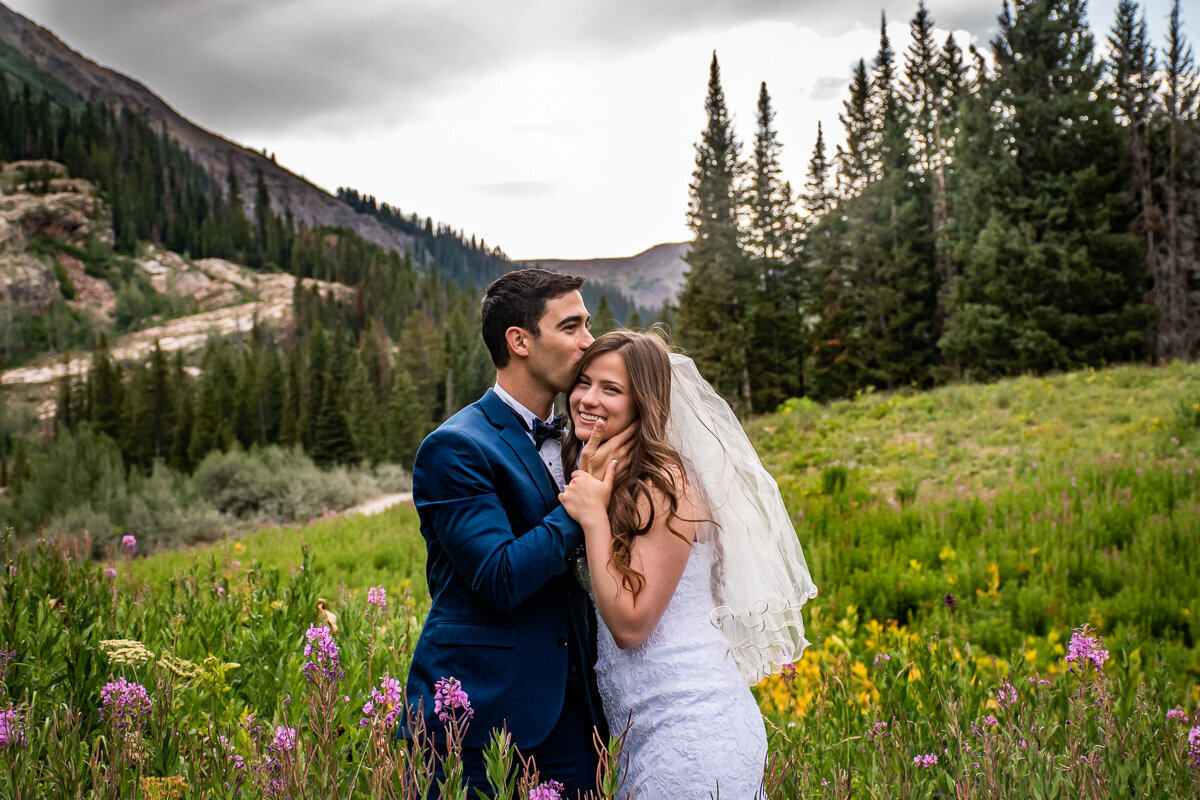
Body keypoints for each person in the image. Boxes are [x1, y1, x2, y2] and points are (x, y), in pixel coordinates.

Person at [558, 330, 818, 800]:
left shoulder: (663, 486)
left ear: (644, 402)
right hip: (644, 729)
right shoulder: (609, 475)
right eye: (583, 382)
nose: (588, 399)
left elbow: (632, 625)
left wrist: (594, 517)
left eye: (611, 389)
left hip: (691, 729)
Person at [402, 269, 630, 797]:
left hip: (578, 720)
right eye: (570, 327)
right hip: (478, 720)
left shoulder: (584, 436)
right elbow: (498, 576)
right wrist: (582, 507)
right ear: (520, 341)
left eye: (588, 325)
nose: (588, 342)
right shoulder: (456, 447)